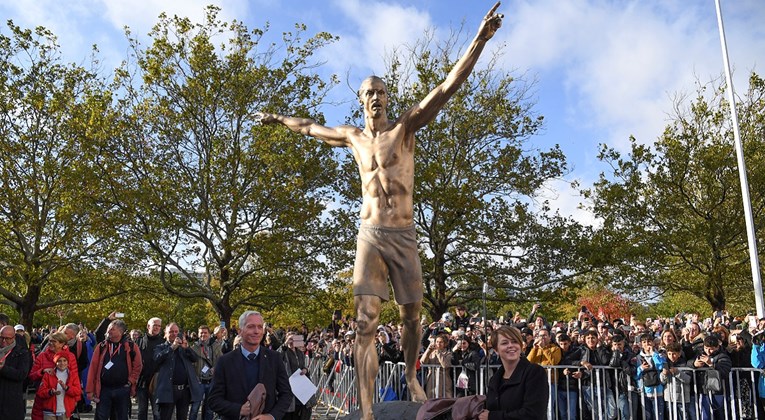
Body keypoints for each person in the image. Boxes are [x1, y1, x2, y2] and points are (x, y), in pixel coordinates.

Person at [254, 3, 503, 418]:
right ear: (360, 100)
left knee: (411, 318)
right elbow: (310, 127)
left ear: (389, 98)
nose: (376, 97)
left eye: (381, 91)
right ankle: (367, 408)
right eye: (369, 92)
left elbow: (447, 86)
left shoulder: (405, 127)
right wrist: (277, 117)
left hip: (403, 235)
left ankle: (409, 374)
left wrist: (480, 38)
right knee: (365, 322)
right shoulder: (352, 137)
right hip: (370, 233)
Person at [207, 311, 292, 420]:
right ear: (240, 331)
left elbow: (286, 394)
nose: (256, 331)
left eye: (260, 327)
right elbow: (213, 400)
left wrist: (272, 416)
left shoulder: (274, 358)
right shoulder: (225, 361)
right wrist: (238, 409)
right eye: (251, 327)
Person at [478, 325, 548, 420]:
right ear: (496, 350)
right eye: (504, 343)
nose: (510, 345)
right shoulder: (495, 379)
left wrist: (492, 416)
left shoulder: (535, 373)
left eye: (515, 341)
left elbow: (533, 414)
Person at [86, 318, 143, 420]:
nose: (108, 331)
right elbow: (93, 368)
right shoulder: (102, 346)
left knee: (121, 416)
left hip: (122, 389)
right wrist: (90, 390)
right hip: (104, 389)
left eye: (112, 329)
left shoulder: (131, 346)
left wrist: (130, 381)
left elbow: (138, 366)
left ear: (121, 331)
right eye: (108, 329)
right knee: (101, 416)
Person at [153, 323, 203, 420]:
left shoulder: (183, 348)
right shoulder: (161, 347)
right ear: (165, 334)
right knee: (165, 416)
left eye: (176, 331)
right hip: (167, 390)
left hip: (184, 390)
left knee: (182, 417)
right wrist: (172, 347)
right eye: (171, 331)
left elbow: (195, 359)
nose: (174, 334)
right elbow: (157, 359)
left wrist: (187, 348)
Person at [29, 331, 79, 420]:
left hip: (64, 400)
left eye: (54, 341)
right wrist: (42, 371)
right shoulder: (42, 356)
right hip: (44, 400)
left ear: (62, 343)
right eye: (50, 341)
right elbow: (32, 376)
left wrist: (76, 399)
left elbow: (75, 379)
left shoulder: (70, 357)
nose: (50, 343)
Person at [190, 325, 223, 420]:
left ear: (209, 334)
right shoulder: (193, 347)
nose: (203, 334)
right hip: (198, 381)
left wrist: (215, 368)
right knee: (195, 408)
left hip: (211, 381)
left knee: (209, 409)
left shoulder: (215, 346)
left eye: (205, 333)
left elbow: (221, 360)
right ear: (198, 334)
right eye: (201, 333)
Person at [37, 352, 82, 420]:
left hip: (65, 411)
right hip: (49, 411)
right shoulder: (48, 374)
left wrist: (67, 388)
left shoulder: (73, 375)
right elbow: (41, 392)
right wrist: (51, 392)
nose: (62, 363)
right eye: (59, 361)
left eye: (64, 360)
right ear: (55, 362)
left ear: (68, 362)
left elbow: (78, 391)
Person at [0, 324, 32, 420]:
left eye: (7, 338)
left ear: (14, 338)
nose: (4, 341)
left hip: (11, 400)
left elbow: (22, 374)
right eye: (1, 338)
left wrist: (3, 369)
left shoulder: (22, 352)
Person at [137, 317, 163, 420]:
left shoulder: (163, 342)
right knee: (141, 411)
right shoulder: (138, 341)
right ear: (148, 326)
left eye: (159, 326)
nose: (157, 327)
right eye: (154, 325)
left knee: (157, 412)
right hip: (141, 382)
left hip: (157, 382)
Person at [420, 333, 453, 398]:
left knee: (444, 401)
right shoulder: (431, 353)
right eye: (437, 342)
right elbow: (422, 362)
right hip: (431, 380)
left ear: (445, 344)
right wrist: (428, 350)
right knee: (431, 399)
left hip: (444, 381)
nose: (438, 344)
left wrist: (438, 352)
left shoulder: (448, 354)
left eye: (441, 342)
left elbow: (445, 365)